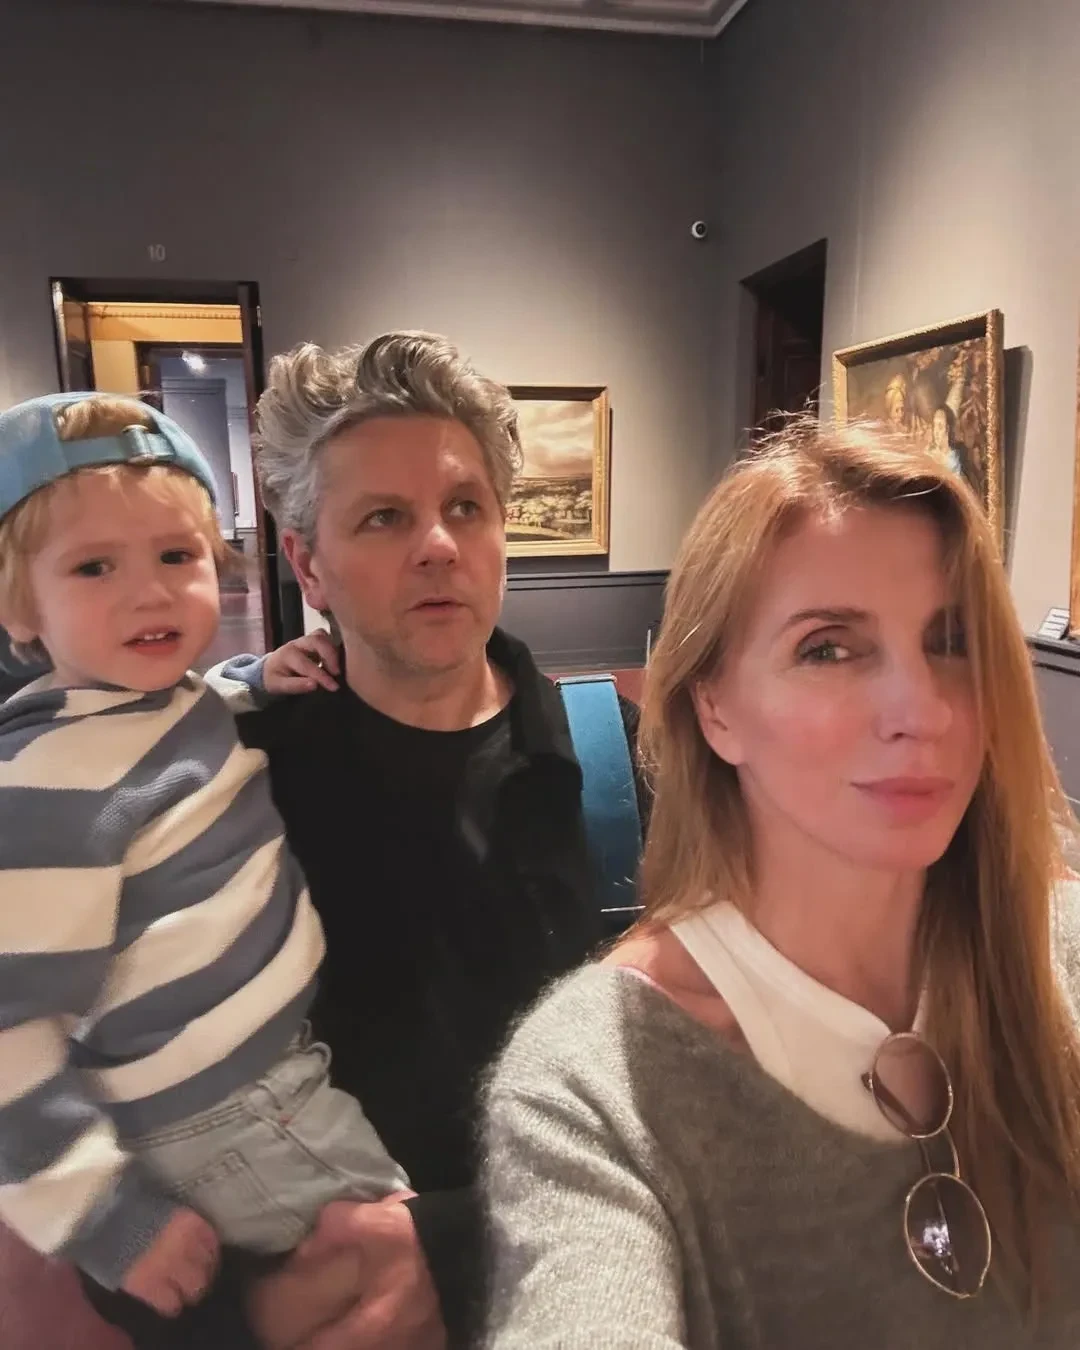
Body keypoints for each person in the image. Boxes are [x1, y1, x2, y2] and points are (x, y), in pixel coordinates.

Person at [80, 333, 645, 1350]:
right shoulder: (215, 800)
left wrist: (446, 1250)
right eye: (384, 517)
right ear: (309, 563)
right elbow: (125, 1146)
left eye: (465, 507)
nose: (437, 545)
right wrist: (242, 1307)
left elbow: (696, 1110)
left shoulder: (625, 767)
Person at [482, 417, 1080, 1349]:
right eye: (829, 648)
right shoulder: (595, 1088)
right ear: (715, 706)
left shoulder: (1061, 954)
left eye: (951, 639)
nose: (922, 710)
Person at [0, 393, 407, 1328]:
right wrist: (106, 1220)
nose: (149, 593)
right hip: (223, 1115)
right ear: (19, 605)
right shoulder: (47, 787)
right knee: (400, 1268)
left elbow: (189, 704)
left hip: (257, 1082)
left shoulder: (144, 700)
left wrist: (254, 678)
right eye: (95, 566)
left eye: (177, 557)